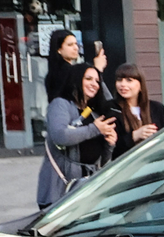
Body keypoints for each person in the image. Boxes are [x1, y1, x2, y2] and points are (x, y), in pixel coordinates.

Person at [38, 62, 115, 207]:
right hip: (61, 190)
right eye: (88, 79)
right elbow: (60, 136)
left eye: (97, 81)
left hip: (87, 188)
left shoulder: (93, 112)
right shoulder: (60, 105)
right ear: (76, 79)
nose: (95, 84)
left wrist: (109, 145)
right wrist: (95, 129)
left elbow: (102, 161)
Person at [106, 64, 164, 156]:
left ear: (141, 84)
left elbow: (163, 140)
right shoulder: (111, 108)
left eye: (129, 80)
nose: (123, 84)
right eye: (119, 80)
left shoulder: (157, 108)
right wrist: (134, 136)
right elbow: (112, 148)